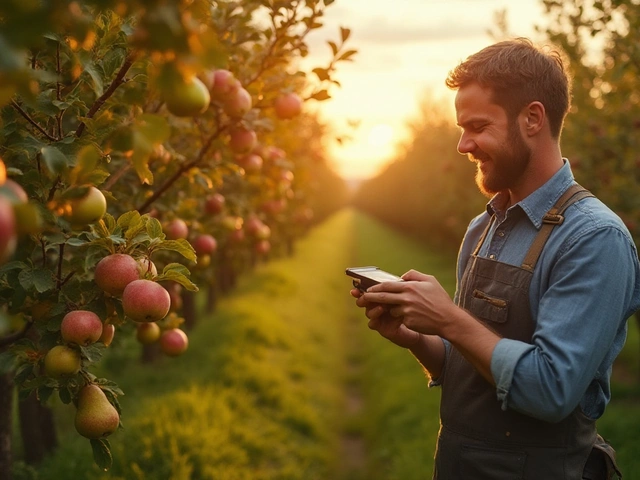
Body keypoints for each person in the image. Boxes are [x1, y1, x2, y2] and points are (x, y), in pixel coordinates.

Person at [351, 37, 640, 480]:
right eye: (460, 129)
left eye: (478, 127)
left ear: (532, 118)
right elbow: (469, 362)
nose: (464, 145)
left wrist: (448, 318)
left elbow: (551, 389)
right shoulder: (483, 227)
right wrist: (415, 338)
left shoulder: (594, 238)